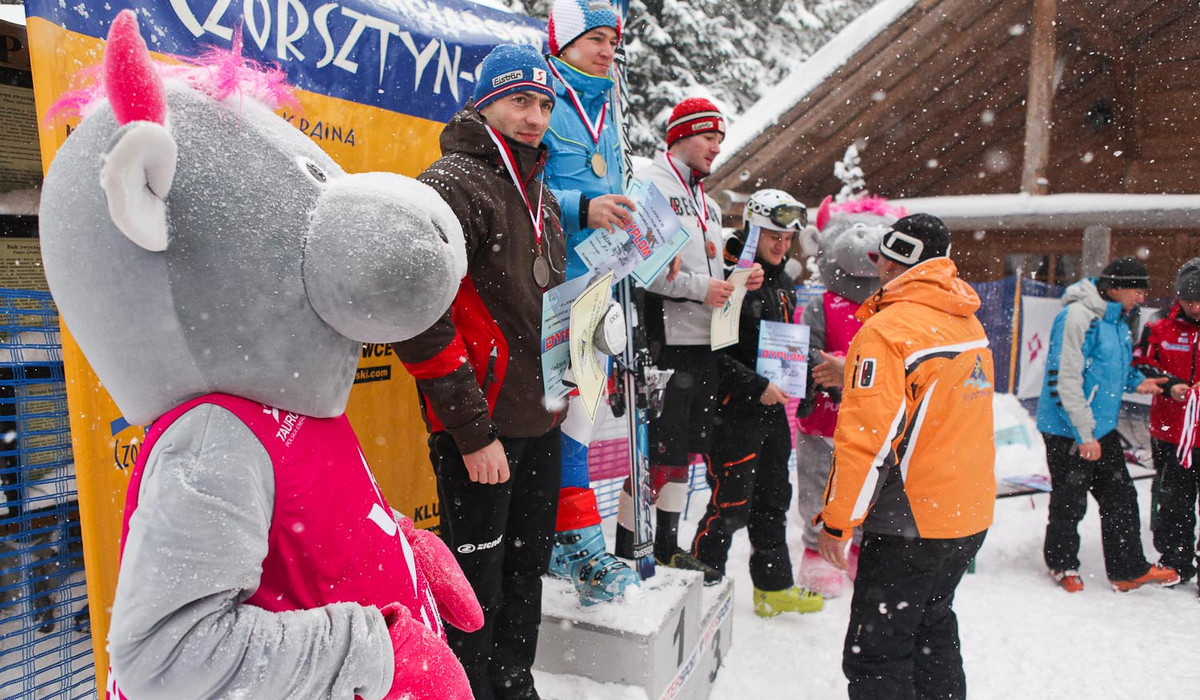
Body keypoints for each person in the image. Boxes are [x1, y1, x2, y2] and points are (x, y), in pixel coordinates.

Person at [394, 44, 565, 700]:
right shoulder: (451, 183)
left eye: (544, 104)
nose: (534, 116)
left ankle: (515, 686)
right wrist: (471, 430)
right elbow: (417, 312)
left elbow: (542, 307)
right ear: (485, 103)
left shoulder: (539, 192)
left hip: (540, 418)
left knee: (527, 573)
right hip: (483, 432)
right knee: (475, 590)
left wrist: (566, 383)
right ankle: (471, 691)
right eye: (520, 100)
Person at [816, 214, 995, 700]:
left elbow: (866, 442)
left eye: (879, 259)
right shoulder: (963, 315)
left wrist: (838, 521)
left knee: (877, 654)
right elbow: (937, 402)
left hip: (910, 522)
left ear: (893, 261)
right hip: (966, 512)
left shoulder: (887, 330)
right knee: (931, 631)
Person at [614, 97, 763, 581]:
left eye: (720, 138)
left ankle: (667, 546)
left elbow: (708, 269)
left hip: (704, 346)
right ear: (678, 136)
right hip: (664, 343)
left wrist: (741, 279)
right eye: (708, 137)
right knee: (656, 455)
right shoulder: (649, 186)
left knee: (683, 456)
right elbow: (643, 268)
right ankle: (626, 548)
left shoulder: (709, 201)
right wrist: (704, 288)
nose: (716, 148)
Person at [541, 0, 641, 605]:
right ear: (566, 41)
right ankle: (579, 545)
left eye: (612, 41)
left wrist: (653, 248)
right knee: (567, 414)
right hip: (555, 285)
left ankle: (573, 540)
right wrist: (582, 208)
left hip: (600, 285)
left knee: (584, 415)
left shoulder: (607, 104)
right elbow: (520, 187)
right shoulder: (543, 99)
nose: (608, 51)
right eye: (596, 39)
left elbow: (616, 189)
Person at [690, 189, 824, 616]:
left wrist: (803, 388)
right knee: (730, 505)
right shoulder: (733, 275)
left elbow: (787, 348)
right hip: (733, 411)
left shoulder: (783, 282)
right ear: (752, 229)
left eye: (788, 238)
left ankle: (773, 587)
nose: (782, 245)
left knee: (773, 500)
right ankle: (699, 589)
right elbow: (711, 352)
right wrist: (754, 385)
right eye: (773, 235)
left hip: (771, 414)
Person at [1036, 256, 1178, 594]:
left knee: (1120, 495)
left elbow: (1114, 369)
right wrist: (1084, 434)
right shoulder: (1077, 317)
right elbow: (1065, 380)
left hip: (1100, 426)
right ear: (1113, 287)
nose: (1142, 297)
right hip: (1067, 428)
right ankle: (1062, 563)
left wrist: (1139, 382)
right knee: (1070, 500)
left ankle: (1127, 569)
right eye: (1136, 289)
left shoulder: (1117, 320)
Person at [1133, 257, 1200, 593]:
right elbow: (1141, 363)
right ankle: (1175, 561)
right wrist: (1169, 383)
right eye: (1190, 300)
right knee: (1174, 500)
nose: (1196, 306)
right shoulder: (1159, 328)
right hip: (1171, 432)